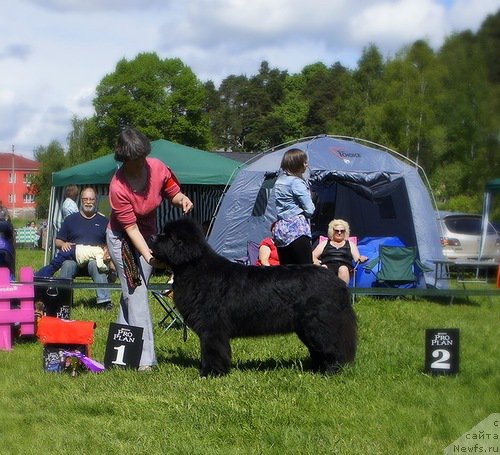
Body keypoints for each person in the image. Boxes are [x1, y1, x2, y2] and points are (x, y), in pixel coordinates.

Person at [107, 127, 193, 371]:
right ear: (125, 159)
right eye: (135, 160)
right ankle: (146, 362)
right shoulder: (118, 187)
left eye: (143, 156)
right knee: (137, 294)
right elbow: (131, 229)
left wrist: (181, 199)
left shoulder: (156, 167)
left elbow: (171, 191)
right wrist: (149, 256)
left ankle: (120, 354)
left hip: (148, 235)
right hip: (122, 239)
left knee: (131, 295)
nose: (141, 163)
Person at [55, 187, 113, 310]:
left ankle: (104, 301)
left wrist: (107, 251)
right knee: (67, 264)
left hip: (95, 259)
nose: (88, 202)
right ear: (80, 200)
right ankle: (63, 301)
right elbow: (57, 241)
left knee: (96, 264)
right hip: (74, 258)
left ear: (95, 201)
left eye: (91, 199)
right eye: (85, 199)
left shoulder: (103, 221)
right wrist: (63, 244)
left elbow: (110, 243)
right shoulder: (70, 220)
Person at [273, 148, 315, 265]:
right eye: (305, 162)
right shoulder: (297, 182)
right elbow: (310, 210)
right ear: (297, 163)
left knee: (287, 271)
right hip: (297, 228)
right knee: (305, 269)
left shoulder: (279, 181)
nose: (307, 165)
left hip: (281, 228)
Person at [312, 219, 368, 285]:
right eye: (337, 231)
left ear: (345, 232)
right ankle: (326, 293)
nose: (339, 233)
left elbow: (357, 259)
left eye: (342, 231)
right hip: (327, 266)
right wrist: (316, 261)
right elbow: (312, 255)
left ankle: (342, 293)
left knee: (343, 269)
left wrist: (362, 258)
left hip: (345, 267)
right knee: (324, 267)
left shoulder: (350, 244)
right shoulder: (325, 243)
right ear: (332, 231)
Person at [35, 243, 116, 279]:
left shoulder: (97, 249)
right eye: (107, 253)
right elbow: (100, 265)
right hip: (71, 252)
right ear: (104, 248)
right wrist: (107, 269)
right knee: (53, 266)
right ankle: (39, 276)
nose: (107, 255)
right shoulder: (99, 252)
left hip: (73, 251)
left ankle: (39, 275)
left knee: (54, 266)